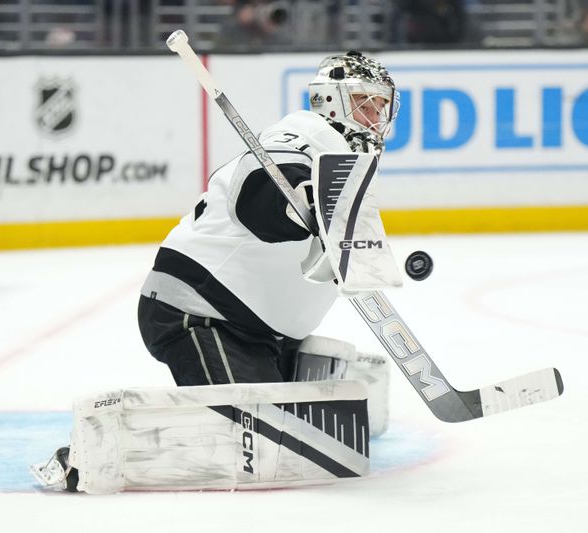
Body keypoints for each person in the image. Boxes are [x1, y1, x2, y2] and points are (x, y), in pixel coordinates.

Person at [32, 51, 398, 494]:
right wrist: (292, 205)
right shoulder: (307, 132)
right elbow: (257, 197)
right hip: (201, 312)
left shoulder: (345, 165)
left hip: (259, 331)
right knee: (258, 450)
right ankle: (94, 450)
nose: (378, 114)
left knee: (293, 446)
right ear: (331, 102)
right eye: (367, 101)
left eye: (382, 104)